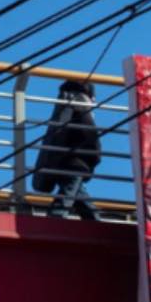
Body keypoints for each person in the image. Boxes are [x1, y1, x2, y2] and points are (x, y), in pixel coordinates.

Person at [31, 78, 101, 219]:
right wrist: (96, 155)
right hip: (76, 163)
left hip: (60, 160)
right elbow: (89, 133)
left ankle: (95, 220)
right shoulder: (81, 103)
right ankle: (54, 221)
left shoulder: (63, 104)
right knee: (67, 197)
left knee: (77, 195)